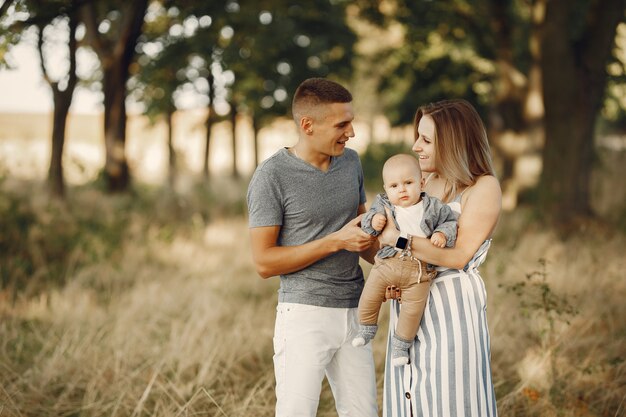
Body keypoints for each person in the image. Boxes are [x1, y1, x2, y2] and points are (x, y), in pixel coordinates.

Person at [246, 78, 378, 417]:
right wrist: (336, 241)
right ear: (307, 125)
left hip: (356, 312)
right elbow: (264, 263)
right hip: (305, 316)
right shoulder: (271, 177)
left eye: (351, 121)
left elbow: (361, 237)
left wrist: (404, 268)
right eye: (342, 124)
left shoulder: (351, 162)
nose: (351, 133)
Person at [379, 99, 501, 417]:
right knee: (409, 396)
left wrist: (398, 239)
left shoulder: (482, 187)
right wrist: (393, 277)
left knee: (450, 399)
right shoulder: (422, 184)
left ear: (453, 143)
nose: (416, 146)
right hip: (410, 300)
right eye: (418, 136)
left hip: (452, 309)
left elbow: (458, 256)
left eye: (426, 140)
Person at [352, 154, 458, 368]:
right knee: (369, 295)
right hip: (386, 264)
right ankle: (365, 328)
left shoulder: (433, 206)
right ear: (386, 188)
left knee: (412, 311)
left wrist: (442, 234)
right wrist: (374, 220)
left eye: (408, 183)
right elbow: (366, 224)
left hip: (418, 271)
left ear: (421, 183)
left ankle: (401, 346)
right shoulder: (383, 204)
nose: (401, 190)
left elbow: (450, 222)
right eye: (394, 186)